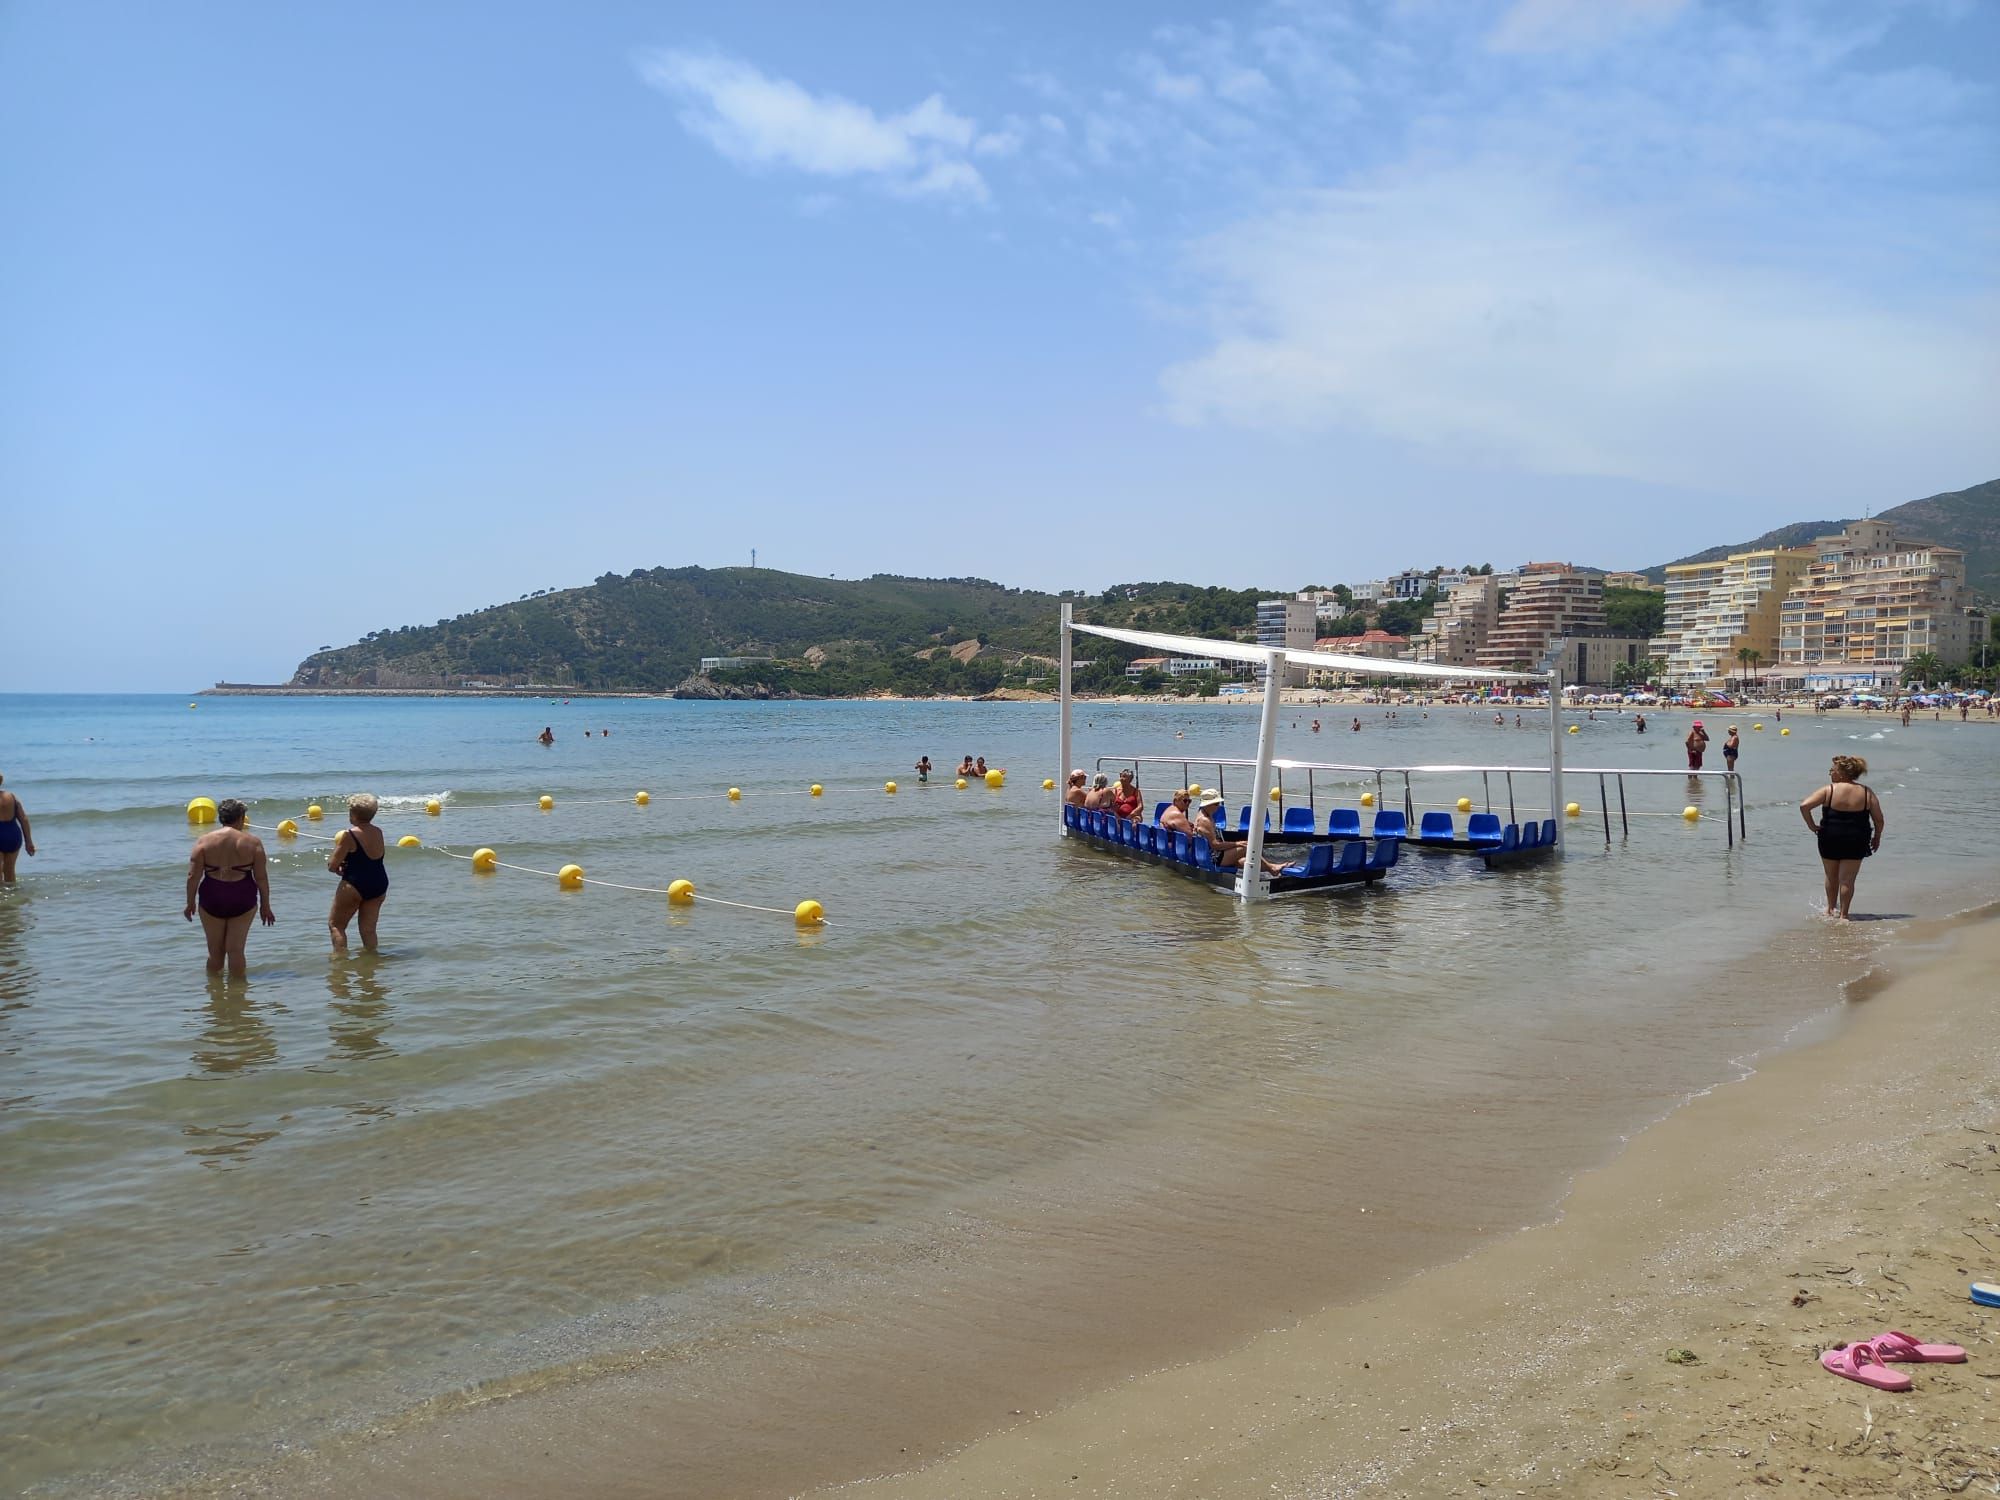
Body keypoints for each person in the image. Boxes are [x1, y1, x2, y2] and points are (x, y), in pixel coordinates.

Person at [184, 799, 274, 977]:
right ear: (241, 818)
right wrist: (266, 905)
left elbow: (193, 876)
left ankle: (215, 994)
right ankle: (238, 994)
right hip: (242, 896)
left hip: (212, 895)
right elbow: (261, 878)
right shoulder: (253, 842)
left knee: (215, 952)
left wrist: (190, 903)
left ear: (220, 817)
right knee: (236, 950)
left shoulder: (203, 842)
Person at [1799, 755, 1884, 920]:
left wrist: (1811, 825)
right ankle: (1844, 915)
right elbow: (1879, 819)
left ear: (1841, 773)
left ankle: (1830, 910)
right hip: (1857, 838)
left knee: (1831, 876)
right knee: (1847, 879)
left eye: (1832, 770)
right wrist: (1877, 836)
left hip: (1830, 836)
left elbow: (1804, 806)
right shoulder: (1866, 792)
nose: (1830, 773)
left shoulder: (1829, 790)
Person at [327, 794, 389, 954]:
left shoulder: (349, 835)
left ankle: (340, 966)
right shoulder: (378, 832)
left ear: (353, 815)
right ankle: (371, 963)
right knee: (368, 930)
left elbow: (332, 865)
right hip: (378, 883)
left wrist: (338, 867)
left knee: (336, 925)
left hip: (355, 883)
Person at [1194, 794, 1285, 875]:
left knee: (1243, 861)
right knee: (1246, 847)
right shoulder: (1205, 820)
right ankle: (1272, 869)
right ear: (1207, 804)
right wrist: (1236, 844)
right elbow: (1215, 845)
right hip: (1214, 858)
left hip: (1210, 855)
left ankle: (1271, 867)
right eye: (1216, 804)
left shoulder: (1202, 814)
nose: (1218, 807)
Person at [0, 772, 35, 883]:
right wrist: (29, 841)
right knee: (10, 872)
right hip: (13, 836)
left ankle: (4, 899)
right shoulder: (12, 796)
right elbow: (23, 819)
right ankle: (13, 895)